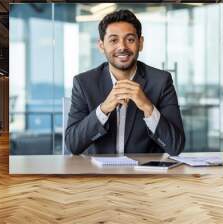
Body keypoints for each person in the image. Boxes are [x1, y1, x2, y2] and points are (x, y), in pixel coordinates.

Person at [65, 9, 185, 155]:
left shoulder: (161, 81)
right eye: (113, 40)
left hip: (144, 175)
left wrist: (148, 107)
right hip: (97, 175)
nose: (122, 47)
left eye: (130, 39)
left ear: (140, 43)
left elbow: (176, 147)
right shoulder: (83, 83)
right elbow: (73, 145)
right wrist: (103, 109)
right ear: (101, 45)